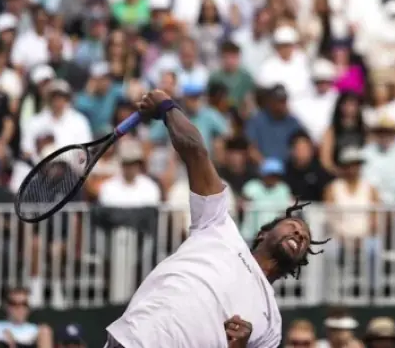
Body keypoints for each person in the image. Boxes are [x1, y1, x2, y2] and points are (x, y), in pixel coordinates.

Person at [105, 89, 328, 348]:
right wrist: (167, 107)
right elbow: (196, 151)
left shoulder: (271, 327)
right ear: (262, 234)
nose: (300, 235)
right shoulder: (219, 225)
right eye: (293, 226)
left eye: (305, 239)